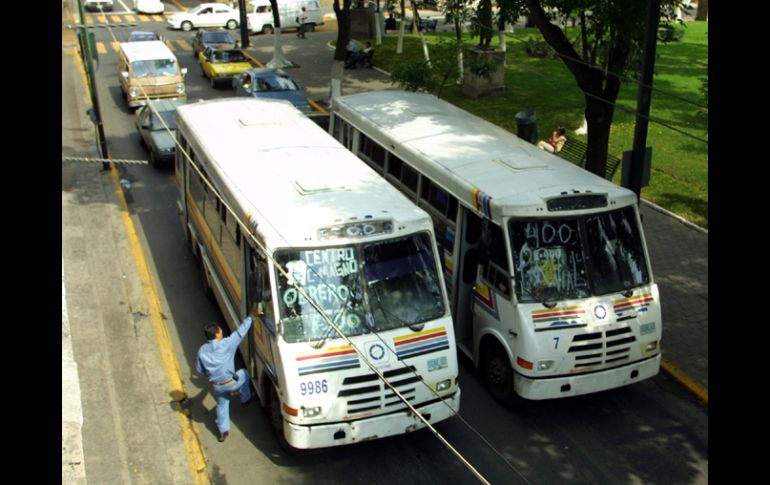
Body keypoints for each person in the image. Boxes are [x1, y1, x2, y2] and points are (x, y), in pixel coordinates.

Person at [196, 304, 259, 442]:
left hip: (216, 385)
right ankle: (245, 397)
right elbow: (240, 332)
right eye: (220, 330)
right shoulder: (227, 344)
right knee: (244, 373)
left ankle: (223, 431)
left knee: (222, 404)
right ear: (217, 334)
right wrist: (252, 316)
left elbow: (200, 370)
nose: (221, 331)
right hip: (230, 382)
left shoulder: (202, 350)